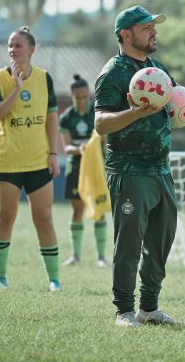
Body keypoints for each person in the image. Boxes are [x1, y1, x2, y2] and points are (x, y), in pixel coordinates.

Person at [94, 5, 185, 327]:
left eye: (154, 26)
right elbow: (100, 124)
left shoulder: (156, 67)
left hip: (160, 169)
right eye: (146, 27)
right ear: (126, 34)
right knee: (129, 245)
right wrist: (134, 113)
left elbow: (179, 94)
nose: (154, 32)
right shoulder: (113, 73)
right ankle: (124, 310)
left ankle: (149, 308)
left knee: (160, 242)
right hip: (128, 171)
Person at [0, 26, 63, 293]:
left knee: (44, 218)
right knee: (5, 217)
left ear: (32, 49)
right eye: (10, 45)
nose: (13, 50)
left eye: (18, 45)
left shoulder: (45, 78)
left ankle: (54, 280)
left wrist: (53, 153)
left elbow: (51, 117)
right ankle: (0, 277)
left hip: (38, 161)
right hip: (7, 162)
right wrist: (16, 90)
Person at [60, 74, 109, 267]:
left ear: (89, 94)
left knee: (99, 208)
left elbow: (105, 140)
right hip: (76, 167)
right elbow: (67, 147)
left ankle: (101, 257)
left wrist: (99, 146)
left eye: (84, 96)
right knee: (77, 209)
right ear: (72, 95)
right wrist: (80, 149)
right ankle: (75, 256)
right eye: (77, 97)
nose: (81, 100)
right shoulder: (66, 117)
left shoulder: (97, 115)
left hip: (96, 168)